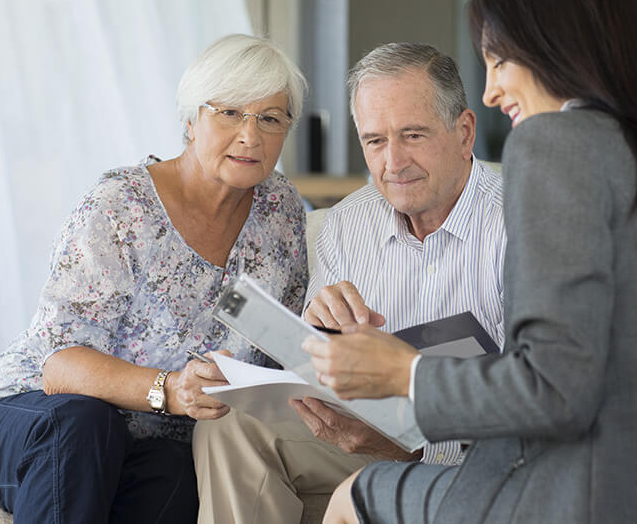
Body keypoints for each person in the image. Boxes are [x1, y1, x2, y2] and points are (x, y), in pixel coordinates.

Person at [307, 0, 637, 524]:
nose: (489, 91)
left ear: (553, 48)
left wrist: (400, 372)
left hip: (607, 495)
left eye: (499, 61)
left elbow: (555, 390)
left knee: (351, 497)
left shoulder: (557, 145)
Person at [0, 34, 309, 523]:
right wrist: (170, 389)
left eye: (270, 118)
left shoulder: (282, 213)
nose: (250, 135)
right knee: (83, 423)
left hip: (148, 443)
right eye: (229, 112)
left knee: (178, 474)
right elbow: (60, 365)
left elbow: (285, 347)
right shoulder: (120, 206)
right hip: (33, 417)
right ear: (190, 120)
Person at [192, 42, 506, 523]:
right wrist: (318, 336)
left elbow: (539, 397)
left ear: (464, 132)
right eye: (375, 141)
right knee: (229, 423)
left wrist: (418, 449)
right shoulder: (344, 225)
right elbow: (320, 367)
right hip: (367, 433)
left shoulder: (523, 223)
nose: (393, 162)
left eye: (413, 135)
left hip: (487, 452)